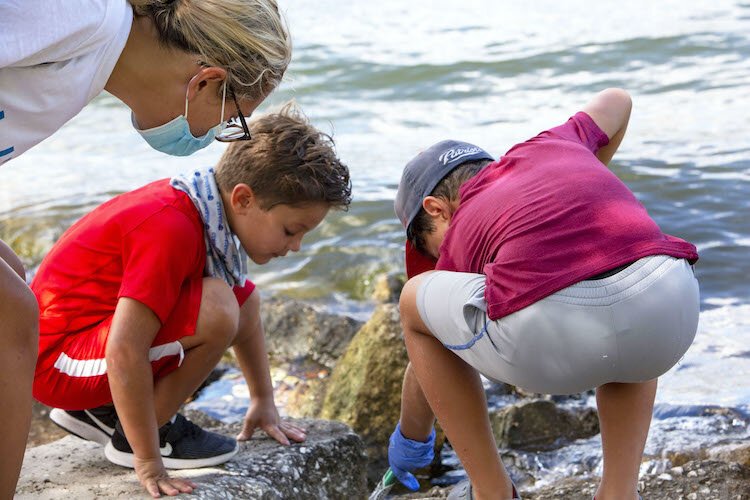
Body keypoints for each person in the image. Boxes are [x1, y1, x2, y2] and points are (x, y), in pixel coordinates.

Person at [0, 0, 291, 495]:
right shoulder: (87, 18)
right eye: (230, 119)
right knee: (12, 315)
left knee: (12, 276)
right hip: (67, 361)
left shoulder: (91, 64)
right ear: (204, 82)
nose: (214, 138)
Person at [387, 89, 700, 500]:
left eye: (433, 248)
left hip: (557, 339)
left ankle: (492, 492)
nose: (442, 259)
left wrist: (411, 440)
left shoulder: (464, 226)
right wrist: (588, 172)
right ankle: (619, 493)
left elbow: (427, 349)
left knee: (414, 299)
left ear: (436, 209)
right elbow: (618, 100)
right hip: (672, 308)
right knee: (622, 279)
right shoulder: (553, 144)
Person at [29, 102, 351, 498]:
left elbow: (244, 307)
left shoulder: (200, 206)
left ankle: (104, 410)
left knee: (239, 298)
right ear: (243, 199)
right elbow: (125, 348)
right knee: (217, 308)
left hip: (78, 345)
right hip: (54, 360)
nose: (297, 246)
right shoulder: (171, 226)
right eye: (290, 230)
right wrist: (147, 461)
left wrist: (264, 401)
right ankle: (133, 433)